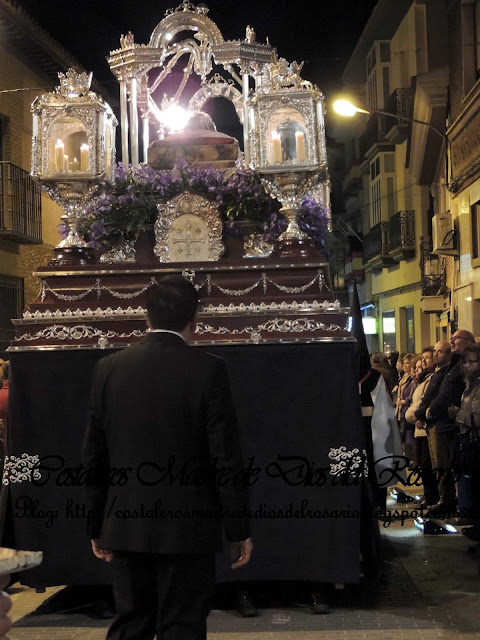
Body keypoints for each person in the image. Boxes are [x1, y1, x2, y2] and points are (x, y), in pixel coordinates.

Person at [83, 275, 252, 640]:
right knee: (183, 625)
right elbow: (225, 456)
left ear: (146, 317)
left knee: (131, 621)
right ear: (195, 319)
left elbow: (95, 454)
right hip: (189, 527)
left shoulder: (108, 369)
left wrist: (96, 522)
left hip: (126, 522)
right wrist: (237, 529)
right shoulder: (209, 369)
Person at [448, 343, 480, 532]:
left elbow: (477, 418)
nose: (466, 366)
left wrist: (457, 414)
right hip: (468, 439)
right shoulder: (470, 384)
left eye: (471, 362)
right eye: (465, 362)